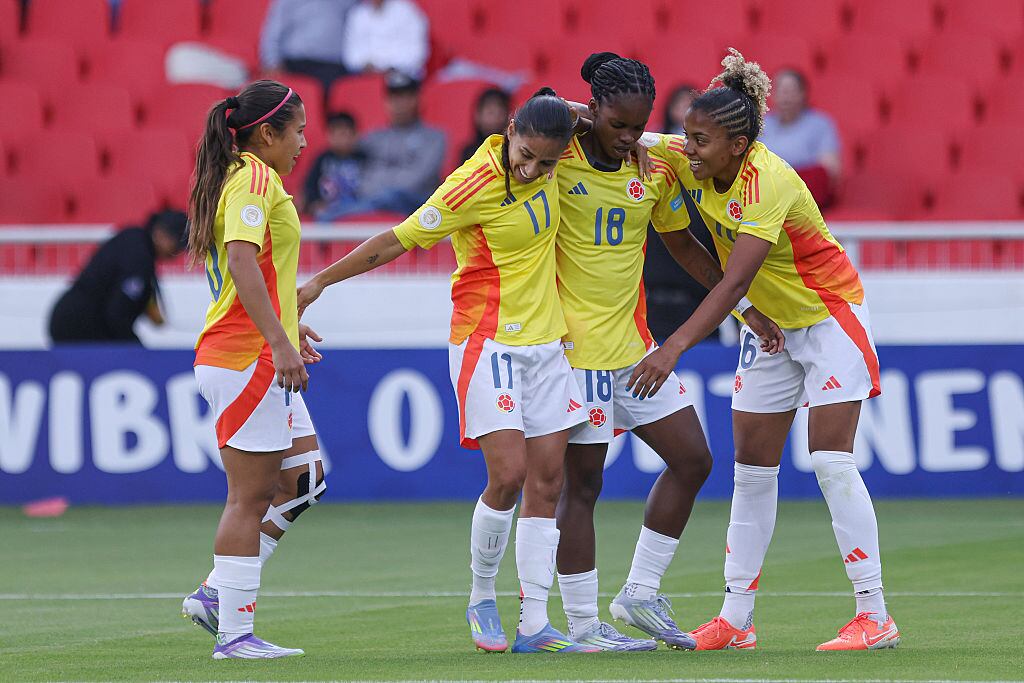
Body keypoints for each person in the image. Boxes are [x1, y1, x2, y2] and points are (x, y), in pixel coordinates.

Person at [296, 89, 601, 655]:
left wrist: (587, 112)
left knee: (549, 482)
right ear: (510, 130)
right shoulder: (472, 184)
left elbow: (597, 119)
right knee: (508, 476)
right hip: (487, 342)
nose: (533, 169)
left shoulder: (559, 142)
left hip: (549, 345)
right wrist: (318, 283)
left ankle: (535, 621)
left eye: (547, 162)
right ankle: (482, 594)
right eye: (526, 155)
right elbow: (398, 239)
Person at [636, 50, 900, 652]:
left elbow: (731, 280)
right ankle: (735, 620)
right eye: (687, 136)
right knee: (752, 473)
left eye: (700, 140)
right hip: (772, 329)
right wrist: (555, 114)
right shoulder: (693, 155)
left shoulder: (770, 181)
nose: (688, 148)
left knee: (831, 462)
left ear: (738, 143)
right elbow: (621, 130)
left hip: (829, 318)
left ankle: (875, 614)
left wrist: (672, 347)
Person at [553, 53, 783, 652]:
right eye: (618, 124)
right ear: (595, 110)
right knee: (582, 486)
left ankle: (639, 592)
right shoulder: (556, 153)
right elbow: (521, 123)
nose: (629, 137)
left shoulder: (652, 170)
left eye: (639, 126)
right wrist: (570, 117)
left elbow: (682, 244)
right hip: (573, 354)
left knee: (693, 460)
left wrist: (745, 310)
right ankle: (581, 625)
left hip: (634, 348)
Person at [179, 80, 328, 659]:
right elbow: (241, 258)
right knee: (249, 496)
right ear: (267, 133)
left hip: (258, 350)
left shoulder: (244, 176)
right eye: (296, 131)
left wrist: (288, 323)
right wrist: (277, 340)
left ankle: (218, 593)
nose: (304, 142)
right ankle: (235, 634)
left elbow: (255, 265)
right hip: (246, 358)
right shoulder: (256, 177)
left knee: (305, 479)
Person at [48, 210, 187, 344]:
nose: (177, 252)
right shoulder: (139, 257)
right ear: (160, 233)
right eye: (177, 245)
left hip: (69, 321)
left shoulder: (134, 239)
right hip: (78, 328)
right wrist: (137, 350)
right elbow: (117, 314)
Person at [329, 71, 446, 217]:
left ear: (417, 99)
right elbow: (360, 178)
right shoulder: (372, 138)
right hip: (375, 201)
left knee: (391, 196)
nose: (398, 104)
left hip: (418, 207)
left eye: (404, 97)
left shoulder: (435, 138)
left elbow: (418, 181)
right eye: (393, 97)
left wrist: (381, 186)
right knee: (332, 209)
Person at [760, 68, 841, 208]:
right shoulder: (761, 125)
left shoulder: (820, 124)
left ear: (803, 94)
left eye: (791, 91)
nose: (786, 97)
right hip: (767, 186)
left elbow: (830, 168)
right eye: (781, 91)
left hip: (805, 191)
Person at [260, 0, 357, 93]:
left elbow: (364, 21)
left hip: (332, 66)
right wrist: (272, 62)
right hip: (295, 63)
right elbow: (274, 32)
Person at [342, 0, 429, 79]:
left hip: (402, 77)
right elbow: (351, 56)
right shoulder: (357, 15)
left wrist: (390, 67)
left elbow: (417, 53)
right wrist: (366, 65)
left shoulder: (407, 11)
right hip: (366, 76)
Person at [302, 111, 365, 219]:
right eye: (338, 134)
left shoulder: (363, 158)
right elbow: (310, 186)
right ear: (329, 135)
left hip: (357, 207)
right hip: (327, 209)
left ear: (355, 135)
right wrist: (314, 203)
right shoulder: (322, 159)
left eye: (346, 134)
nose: (343, 140)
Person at [460, 87, 511, 163]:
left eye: (500, 111)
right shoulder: (468, 152)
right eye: (490, 111)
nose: (496, 116)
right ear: (478, 115)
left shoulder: (512, 150)